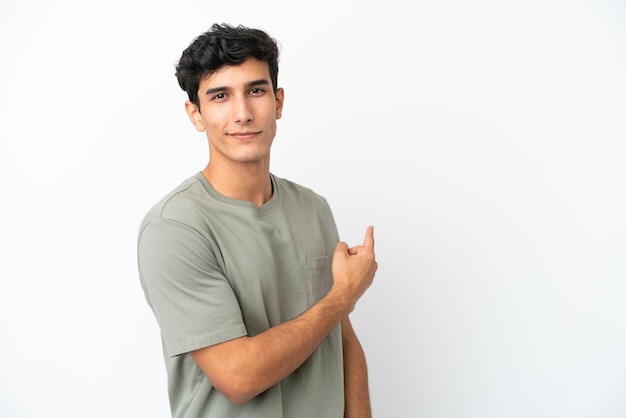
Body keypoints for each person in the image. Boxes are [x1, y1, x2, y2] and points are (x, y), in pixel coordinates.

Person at [137, 23, 378, 418]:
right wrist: (341, 298)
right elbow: (239, 378)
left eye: (256, 90)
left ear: (278, 101)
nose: (243, 113)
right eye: (220, 96)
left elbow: (343, 342)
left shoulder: (314, 208)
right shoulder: (174, 228)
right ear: (195, 114)